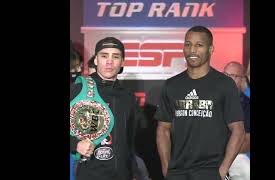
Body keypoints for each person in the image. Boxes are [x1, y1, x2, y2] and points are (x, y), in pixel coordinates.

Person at [155, 26, 245, 180]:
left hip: (210, 171)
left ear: (211, 49)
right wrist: (166, 168)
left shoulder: (224, 84)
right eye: (188, 44)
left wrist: (222, 170)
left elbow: (238, 130)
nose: (192, 50)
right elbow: (163, 129)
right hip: (177, 172)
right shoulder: (171, 85)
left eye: (199, 45)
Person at [70, 37, 145, 180]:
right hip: (90, 175)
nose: (109, 61)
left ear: (122, 62)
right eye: (104, 56)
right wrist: (75, 144)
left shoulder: (128, 96)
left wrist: (134, 172)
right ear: (96, 60)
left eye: (115, 56)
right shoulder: (78, 89)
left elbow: (129, 142)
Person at [224, 62, 250, 180]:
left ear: (242, 80)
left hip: (237, 155)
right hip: (209, 156)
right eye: (227, 75)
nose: (230, 79)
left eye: (234, 76)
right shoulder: (210, 101)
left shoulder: (248, 105)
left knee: (246, 171)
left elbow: (247, 143)